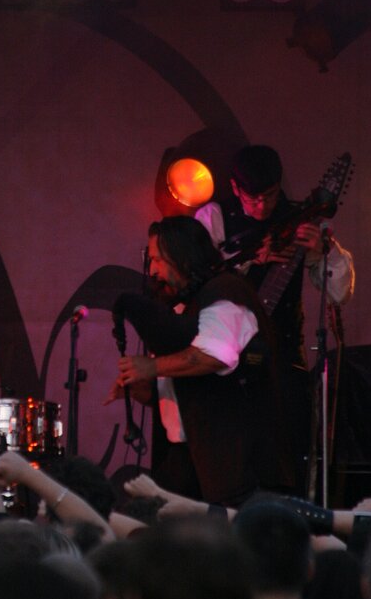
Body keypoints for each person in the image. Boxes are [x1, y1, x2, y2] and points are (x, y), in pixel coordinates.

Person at [196, 144, 354, 495]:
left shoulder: (300, 219)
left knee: (286, 452)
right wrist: (251, 258)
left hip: (282, 357)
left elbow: (340, 292)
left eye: (269, 196)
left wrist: (324, 253)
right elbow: (197, 280)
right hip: (224, 356)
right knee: (228, 455)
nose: (262, 206)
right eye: (252, 198)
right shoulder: (214, 217)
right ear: (235, 188)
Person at [113, 215, 279, 507]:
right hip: (189, 454)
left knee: (228, 526)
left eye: (157, 260)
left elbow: (215, 355)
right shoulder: (184, 304)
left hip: (231, 453)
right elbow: (189, 382)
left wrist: (151, 366)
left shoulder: (225, 292)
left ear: (182, 255)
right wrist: (147, 391)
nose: (152, 271)